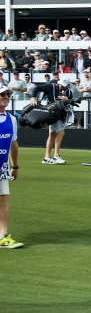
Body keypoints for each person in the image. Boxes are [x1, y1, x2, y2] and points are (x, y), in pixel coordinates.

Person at [30, 77, 74, 164]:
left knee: (52, 134)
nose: (62, 86)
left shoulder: (68, 91)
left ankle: (46, 158)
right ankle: (56, 156)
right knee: (61, 133)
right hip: (52, 113)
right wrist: (33, 97)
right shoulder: (51, 86)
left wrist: (67, 100)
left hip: (59, 114)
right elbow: (37, 88)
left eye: (64, 85)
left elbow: (71, 102)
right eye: (61, 84)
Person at [0, 86, 23, 248]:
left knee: (4, 199)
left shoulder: (11, 119)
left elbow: (13, 145)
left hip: (2, 168)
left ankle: (3, 236)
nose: (6, 97)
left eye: (7, 94)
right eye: (2, 94)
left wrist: (15, 166)